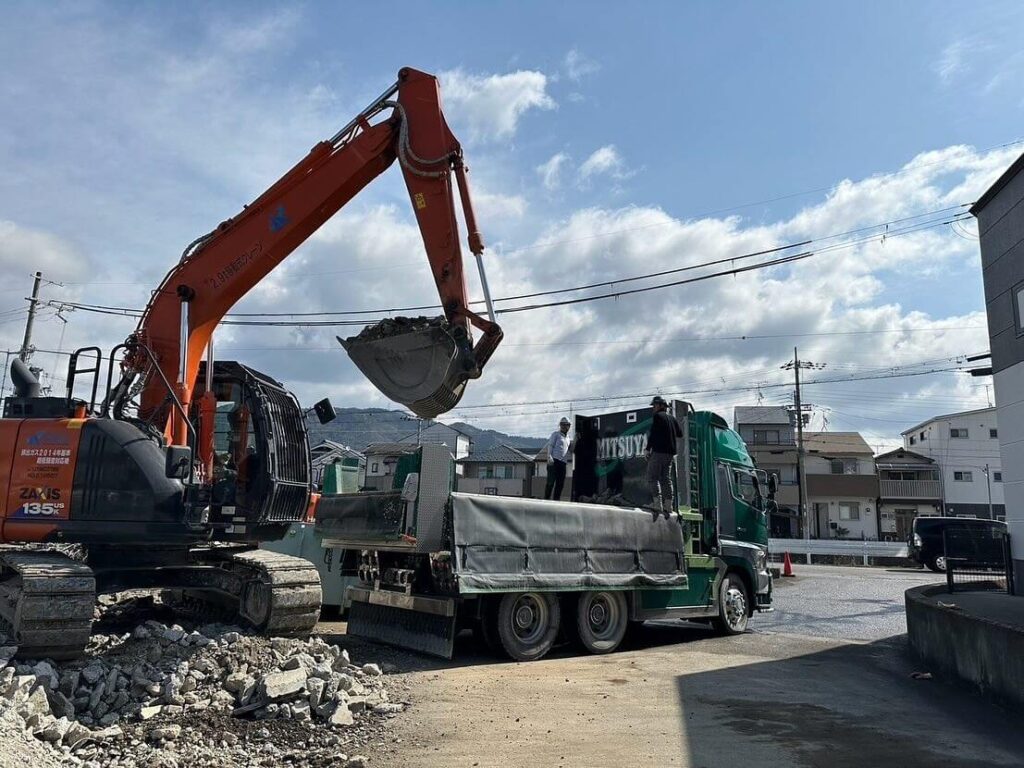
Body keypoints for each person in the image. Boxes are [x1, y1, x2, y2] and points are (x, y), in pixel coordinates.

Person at [646, 396, 682, 514]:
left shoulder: (657, 417)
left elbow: (653, 434)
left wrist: (647, 449)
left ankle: (657, 504)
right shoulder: (672, 418)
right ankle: (668, 506)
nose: (653, 408)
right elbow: (680, 434)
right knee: (666, 479)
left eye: (655, 405)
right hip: (670, 454)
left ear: (661, 406)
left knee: (652, 477)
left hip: (658, 452)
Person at [543, 417, 572, 500]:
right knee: (550, 482)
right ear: (560, 425)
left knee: (560, 483)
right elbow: (551, 445)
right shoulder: (555, 434)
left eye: (566, 425)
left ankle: (556, 500)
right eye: (562, 425)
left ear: (569, 426)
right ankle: (546, 499)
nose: (564, 427)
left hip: (563, 463)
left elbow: (570, 449)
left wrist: (576, 440)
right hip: (554, 461)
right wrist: (549, 456)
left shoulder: (568, 438)